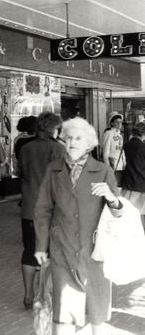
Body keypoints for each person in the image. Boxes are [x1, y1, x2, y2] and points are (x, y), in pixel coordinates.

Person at [34, 117, 122, 335]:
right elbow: (42, 210)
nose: (72, 142)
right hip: (62, 248)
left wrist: (111, 197)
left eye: (78, 139)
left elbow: (118, 211)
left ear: (89, 144)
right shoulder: (53, 170)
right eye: (69, 138)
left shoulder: (103, 171)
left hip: (94, 253)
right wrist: (40, 246)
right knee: (64, 312)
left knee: (97, 313)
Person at [17, 112, 65, 310]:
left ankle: (28, 295)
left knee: (30, 250)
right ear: (53, 128)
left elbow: (21, 174)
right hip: (53, 209)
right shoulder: (59, 149)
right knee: (53, 252)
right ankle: (45, 296)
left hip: (29, 207)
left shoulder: (25, 148)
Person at [122, 121, 145, 229]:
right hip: (140, 184)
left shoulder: (127, 145)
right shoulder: (143, 147)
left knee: (127, 212)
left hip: (127, 182)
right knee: (140, 213)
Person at [101, 112, 125, 180]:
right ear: (112, 123)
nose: (119, 124)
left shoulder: (120, 135)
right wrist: (108, 167)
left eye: (120, 122)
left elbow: (121, 151)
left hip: (121, 166)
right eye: (117, 122)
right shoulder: (108, 133)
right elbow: (105, 152)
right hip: (113, 165)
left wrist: (124, 163)